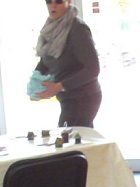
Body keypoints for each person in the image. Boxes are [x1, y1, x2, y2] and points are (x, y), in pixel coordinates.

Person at [35, 0, 102, 128]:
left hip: (83, 96)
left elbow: (93, 69)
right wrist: (36, 82)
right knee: (77, 143)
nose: (52, 6)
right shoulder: (51, 27)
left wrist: (60, 86)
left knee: (68, 142)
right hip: (67, 97)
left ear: (69, 2)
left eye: (59, 1)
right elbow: (46, 59)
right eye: (49, 1)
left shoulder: (77, 28)